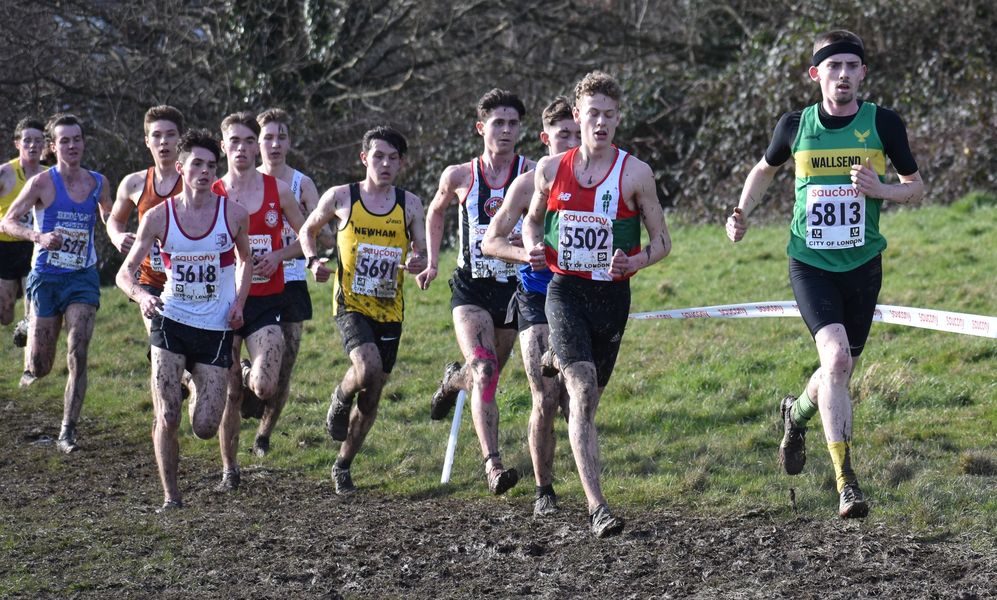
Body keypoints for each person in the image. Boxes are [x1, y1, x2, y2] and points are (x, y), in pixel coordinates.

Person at [725, 30, 923, 519]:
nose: (843, 75)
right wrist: (742, 211)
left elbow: (916, 188)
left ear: (863, 73)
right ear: (816, 74)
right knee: (835, 359)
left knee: (840, 368)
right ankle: (846, 482)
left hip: (863, 265)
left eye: (852, 66)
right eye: (833, 66)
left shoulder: (883, 123)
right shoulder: (796, 126)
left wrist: (881, 189)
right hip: (810, 264)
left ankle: (795, 414)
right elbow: (764, 169)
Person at [522, 71, 671, 538]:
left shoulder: (636, 173)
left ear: (618, 118)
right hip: (565, 290)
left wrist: (636, 261)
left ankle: (558, 356)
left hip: (611, 298)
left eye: (609, 114)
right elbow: (531, 222)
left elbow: (663, 241)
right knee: (582, 391)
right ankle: (597, 507)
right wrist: (531, 246)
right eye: (592, 114)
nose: (600, 123)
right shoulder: (550, 171)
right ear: (577, 116)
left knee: (590, 400)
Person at [116, 129, 252, 511]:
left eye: (211, 165)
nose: (205, 172)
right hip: (171, 320)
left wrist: (239, 302)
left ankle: (191, 380)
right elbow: (124, 273)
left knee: (205, 426)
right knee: (168, 413)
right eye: (196, 164)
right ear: (180, 167)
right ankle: (171, 497)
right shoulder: (159, 217)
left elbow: (246, 260)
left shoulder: (234, 215)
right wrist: (143, 296)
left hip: (215, 326)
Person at [416, 89, 533, 496]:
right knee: (484, 370)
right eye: (498, 123)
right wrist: (432, 261)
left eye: (513, 123)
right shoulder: (460, 176)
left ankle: (452, 381)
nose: (506, 130)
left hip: (514, 291)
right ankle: (493, 466)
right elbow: (435, 210)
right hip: (471, 288)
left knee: (487, 375)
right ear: (481, 128)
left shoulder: (533, 174)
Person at [299, 126, 426, 494]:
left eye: (392, 158)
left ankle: (343, 464)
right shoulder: (342, 197)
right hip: (350, 303)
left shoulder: (410, 204)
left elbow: (421, 249)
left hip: (390, 309)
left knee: (372, 396)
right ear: (364, 158)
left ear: (401, 163)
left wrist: (418, 261)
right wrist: (313, 261)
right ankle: (340, 398)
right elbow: (308, 230)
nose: (385, 164)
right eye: (378, 157)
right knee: (367, 368)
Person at [481, 96, 580, 516]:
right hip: (537, 296)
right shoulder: (528, 183)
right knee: (546, 394)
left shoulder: (603, 179)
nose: (573, 142)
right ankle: (544, 491)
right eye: (564, 135)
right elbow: (491, 241)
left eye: (578, 134)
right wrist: (527, 254)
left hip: (582, 298)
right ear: (545, 138)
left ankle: (590, 490)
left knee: (578, 398)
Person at [0, 113, 114, 453]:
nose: (72, 145)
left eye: (77, 139)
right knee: (40, 366)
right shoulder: (41, 183)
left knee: (78, 349)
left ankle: (68, 430)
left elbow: (109, 216)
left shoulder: (98, 183)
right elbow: (8, 221)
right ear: (53, 146)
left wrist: (118, 233)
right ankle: (29, 325)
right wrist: (38, 236)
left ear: (84, 143)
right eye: (65, 140)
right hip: (47, 277)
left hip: (82, 277)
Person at [212, 112, 306, 490]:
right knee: (231, 392)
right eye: (234, 141)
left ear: (257, 147)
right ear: (223, 147)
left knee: (264, 387)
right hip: (223, 304)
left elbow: (308, 236)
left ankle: (252, 371)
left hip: (267, 299)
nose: (242, 148)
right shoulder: (212, 192)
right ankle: (230, 469)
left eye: (249, 141)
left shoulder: (277, 190)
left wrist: (280, 255)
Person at [244, 107, 330, 456]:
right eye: (267, 137)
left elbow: (322, 235)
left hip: (291, 280)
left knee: (285, 366)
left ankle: (263, 436)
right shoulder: (243, 181)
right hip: (250, 282)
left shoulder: (301, 184)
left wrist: (311, 234)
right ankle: (248, 377)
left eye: (281, 137)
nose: (275, 144)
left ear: (290, 142)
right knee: (256, 364)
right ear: (256, 144)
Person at [106, 105, 185, 333]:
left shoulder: (196, 182)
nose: (163, 142)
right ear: (147, 141)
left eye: (170, 135)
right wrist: (116, 236)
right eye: (157, 135)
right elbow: (115, 220)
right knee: (161, 340)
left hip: (189, 281)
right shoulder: (134, 183)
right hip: (150, 280)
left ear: (180, 140)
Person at [0, 118, 46, 348]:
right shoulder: (4, 173)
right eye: (27, 140)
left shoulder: (50, 176)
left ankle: (28, 332)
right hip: (5, 246)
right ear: (17, 143)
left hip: (34, 246)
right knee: (5, 312)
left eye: (38, 141)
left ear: (45, 144)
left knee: (33, 307)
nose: (33, 145)